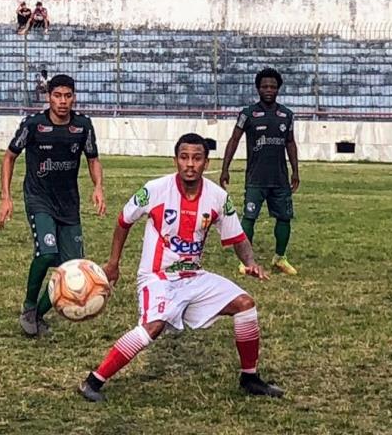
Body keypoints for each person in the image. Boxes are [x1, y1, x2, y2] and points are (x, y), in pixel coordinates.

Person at [78, 133, 284, 403]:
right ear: (175, 160)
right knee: (154, 326)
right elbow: (123, 221)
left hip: (193, 276)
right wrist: (113, 263)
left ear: (206, 162)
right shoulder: (155, 189)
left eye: (197, 158)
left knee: (245, 304)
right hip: (157, 277)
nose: (190, 164)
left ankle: (250, 378)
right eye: (184, 157)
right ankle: (93, 381)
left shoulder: (218, 197)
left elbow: (237, 237)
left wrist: (250, 263)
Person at [0, 74, 106, 337]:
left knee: (71, 267)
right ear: (49, 97)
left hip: (69, 203)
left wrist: (98, 187)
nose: (62, 101)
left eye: (68, 96)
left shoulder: (83, 126)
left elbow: (93, 159)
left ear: (74, 98)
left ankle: (38, 316)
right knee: (47, 252)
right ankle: (29, 306)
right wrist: (6, 197)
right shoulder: (34, 124)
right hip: (39, 198)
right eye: (57, 96)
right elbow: (9, 157)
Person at [220, 68, 300, 276]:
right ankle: (246, 261)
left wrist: (295, 171)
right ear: (257, 88)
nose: (268, 90)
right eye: (264, 86)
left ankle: (280, 258)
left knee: (284, 218)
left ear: (278, 89)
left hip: (280, 178)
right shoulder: (248, 114)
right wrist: (225, 168)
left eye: (273, 87)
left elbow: (290, 143)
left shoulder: (287, 115)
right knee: (249, 217)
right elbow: (234, 140)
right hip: (256, 177)